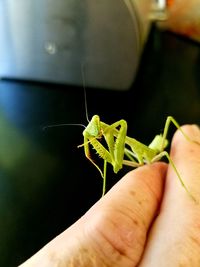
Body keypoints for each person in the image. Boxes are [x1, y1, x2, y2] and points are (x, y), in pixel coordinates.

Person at [19, 124, 200, 266]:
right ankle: (104, 194)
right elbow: (114, 163)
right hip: (141, 158)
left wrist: (186, 188)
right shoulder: (110, 138)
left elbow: (118, 156)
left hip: (154, 152)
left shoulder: (118, 132)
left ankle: (184, 182)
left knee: (168, 140)